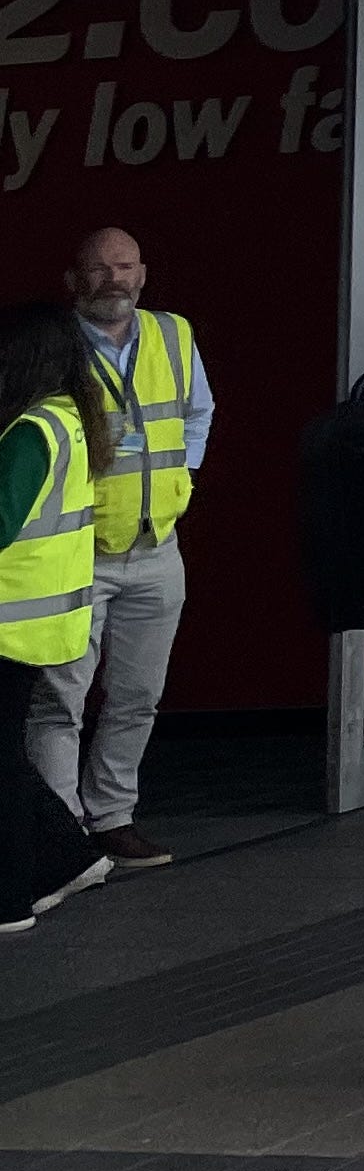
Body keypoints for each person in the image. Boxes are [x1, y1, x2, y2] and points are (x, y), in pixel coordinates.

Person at [28, 229, 206, 869]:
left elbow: (197, 413)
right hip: (77, 549)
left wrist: (180, 477)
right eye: (99, 268)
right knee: (59, 701)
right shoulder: (53, 345)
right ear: (74, 279)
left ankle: (111, 819)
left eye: (125, 266)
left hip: (157, 544)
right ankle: (60, 837)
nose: (114, 279)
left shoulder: (172, 334)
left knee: (137, 697)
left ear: (143, 272)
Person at [0, 306, 109, 931]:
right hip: (43, 619)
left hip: (9, 622)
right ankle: (68, 857)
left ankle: (12, 897)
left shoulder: (28, 433)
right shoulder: (70, 420)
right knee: (4, 753)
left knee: (1, 760)